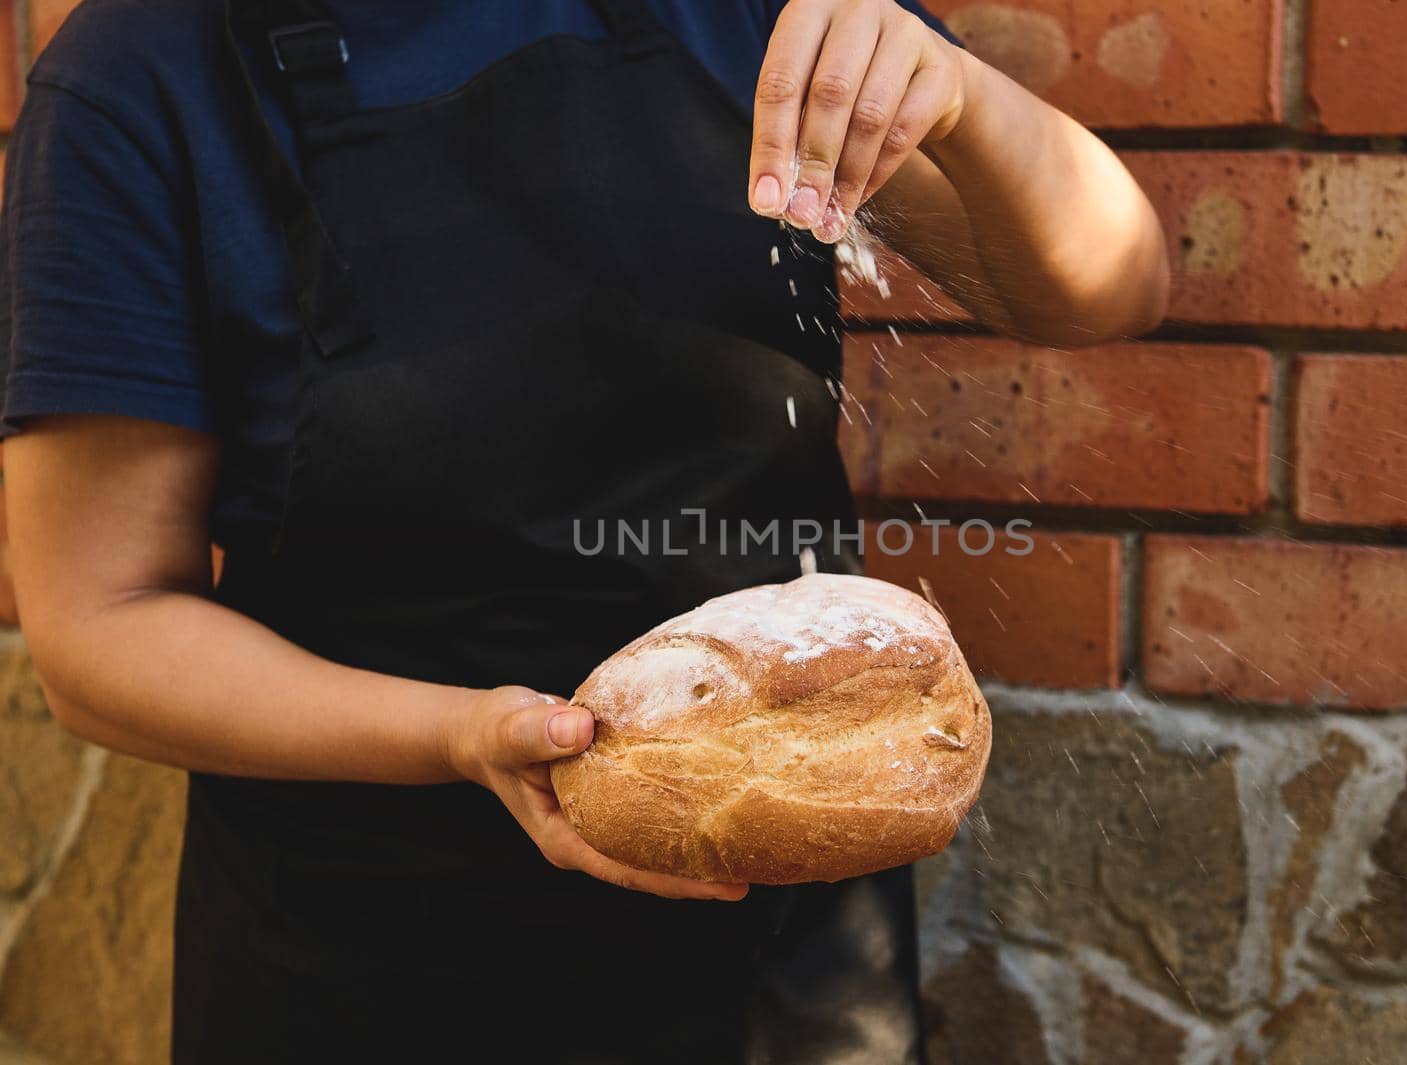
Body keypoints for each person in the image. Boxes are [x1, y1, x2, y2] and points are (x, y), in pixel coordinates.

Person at [0, 0, 1168, 1061]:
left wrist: (963, 100)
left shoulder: (749, 12)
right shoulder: (148, 71)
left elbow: (1104, 288)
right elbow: (100, 630)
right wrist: (459, 736)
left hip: (781, 965)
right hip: (368, 959)